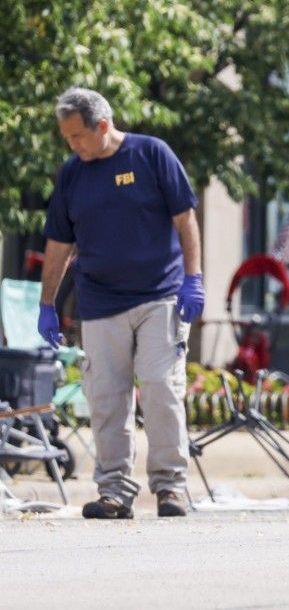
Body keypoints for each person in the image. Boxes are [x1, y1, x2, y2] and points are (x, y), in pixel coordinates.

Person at [37, 87, 205, 519]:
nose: (72, 146)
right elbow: (58, 242)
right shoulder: (72, 174)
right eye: (67, 138)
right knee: (107, 398)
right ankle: (114, 492)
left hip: (159, 295)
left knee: (160, 387)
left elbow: (185, 218)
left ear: (103, 126)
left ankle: (170, 488)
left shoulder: (152, 154)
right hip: (99, 300)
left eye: (77, 136)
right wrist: (47, 303)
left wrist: (193, 279)